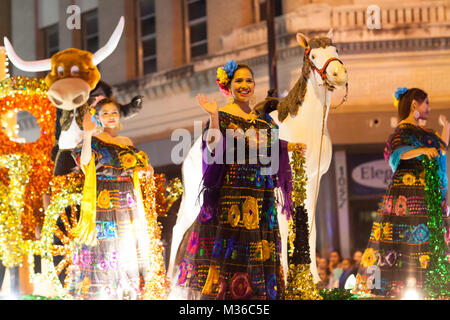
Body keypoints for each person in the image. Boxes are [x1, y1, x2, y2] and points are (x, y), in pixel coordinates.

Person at [173, 60, 293, 300]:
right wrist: (214, 117)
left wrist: (291, 147)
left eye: (249, 80)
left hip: (261, 196)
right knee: (229, 258)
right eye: (239, 80)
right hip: (231, 195)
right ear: (228, 85)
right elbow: (212, 147)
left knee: (258, 255)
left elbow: (275, 147)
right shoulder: (223, 116)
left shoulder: (265, 121)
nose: (245, 85)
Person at [354, 87, 450, 298]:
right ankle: (395, 288)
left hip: (427, 195)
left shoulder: (427, 134)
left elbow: (441, 149)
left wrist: (447, 127)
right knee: (399, 238)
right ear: (414, 104)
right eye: (426, 103)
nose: (429, 108)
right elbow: (397, 153)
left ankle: (431, 286)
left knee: (427, 238)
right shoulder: (401, 131)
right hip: (406, 194)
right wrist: (423, 151)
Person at [67, 97, 155, 300]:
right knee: (105, 246)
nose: (110, 116)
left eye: (114, 112)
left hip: (127, 200)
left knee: (127, 246)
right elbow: (86, 162)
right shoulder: (94, 141)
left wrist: (144, 170)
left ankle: (127, 293)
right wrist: (88, 133)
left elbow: (137, 169)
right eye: (105, 113)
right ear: (98, 118)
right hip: (104, 199)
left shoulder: (127, 143)